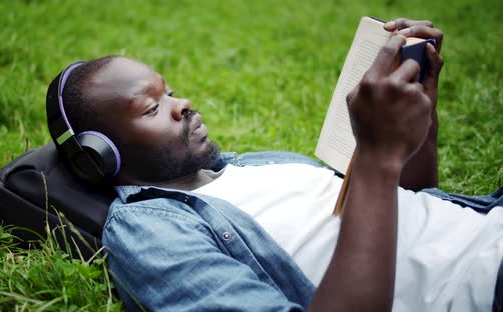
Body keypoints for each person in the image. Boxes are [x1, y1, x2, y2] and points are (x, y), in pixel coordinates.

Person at [53, 18, 503, 311]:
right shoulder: (149, 229)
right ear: (100, 155)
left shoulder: (257, 166)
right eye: (150, 109)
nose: (182, 104)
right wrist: (377, 159)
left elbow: (410, 204)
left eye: (169, 91)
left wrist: (420, 123)